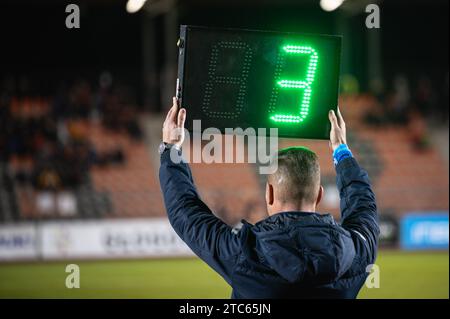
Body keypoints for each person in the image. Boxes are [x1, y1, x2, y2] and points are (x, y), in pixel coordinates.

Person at [159, 97, 379, 299]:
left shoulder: (245, 252)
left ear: (270, 193)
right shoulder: (355, 250)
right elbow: (363, 206)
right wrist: (341, 151)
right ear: (319, 194)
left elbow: (185, 212)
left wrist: (171, 149)